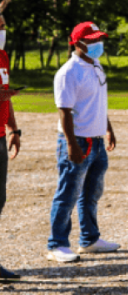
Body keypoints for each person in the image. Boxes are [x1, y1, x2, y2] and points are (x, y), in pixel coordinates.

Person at [48, 22, 119, 263]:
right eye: (92, 41)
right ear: (78, 44)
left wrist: (107, 128)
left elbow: (98, 102)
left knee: (91, 193)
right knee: (67, 193)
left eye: (99, 39)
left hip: (97, 139)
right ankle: (57, 244)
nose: (98, 44)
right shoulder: (69, 72)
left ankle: (89, 239)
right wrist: (71, 144)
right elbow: (64, 112)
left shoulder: (95, 65)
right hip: (78, 140)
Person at [0, 15, 21, 281]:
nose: (2, 30)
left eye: (3, 25)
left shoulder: (2, 57)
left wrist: (13, 128)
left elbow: (5, 95)